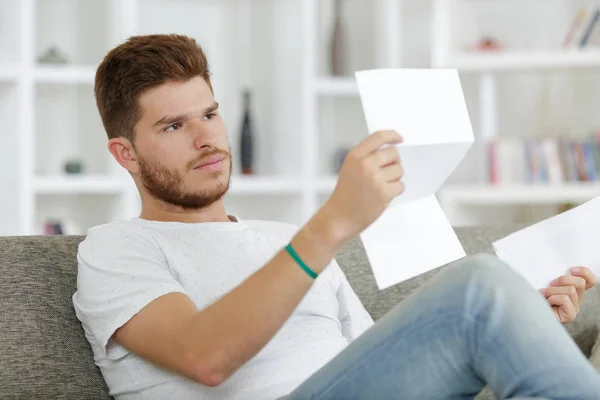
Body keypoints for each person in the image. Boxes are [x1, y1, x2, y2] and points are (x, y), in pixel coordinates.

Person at [73, 34, 600, 400]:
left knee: (503, 315)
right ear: (125, 154)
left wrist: (514, 328)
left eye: (210, 114)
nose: (206, 137)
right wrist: (332, 222)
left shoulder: (284, 239)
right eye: (173, 126)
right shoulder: (116, 248)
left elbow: (386, 367)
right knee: (480, 282)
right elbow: (204, 357)